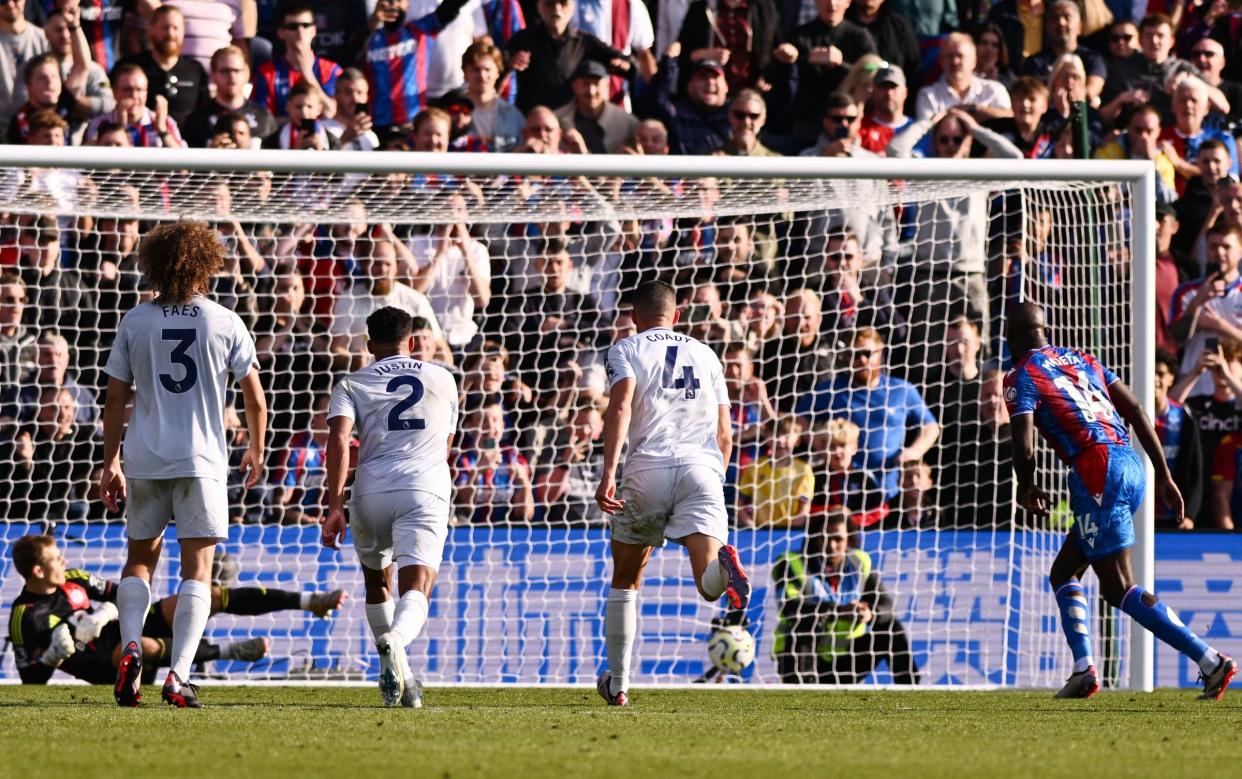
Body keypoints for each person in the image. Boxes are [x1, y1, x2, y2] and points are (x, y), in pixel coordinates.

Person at [1003, 301, 1236, 700]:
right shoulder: (1083, 359)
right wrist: (1164, 474)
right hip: (1129, 461)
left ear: (1012, 339)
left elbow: (1024, 444)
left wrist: (1027, 485)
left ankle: (1211, 660)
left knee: (1118, 588)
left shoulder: (1021, 375)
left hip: (1096, 469)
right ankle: (1083, 669)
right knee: (1064, 572)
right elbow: (1136, 409)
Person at [98, 221, 268, 708]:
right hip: (202, 460)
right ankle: (178, 675)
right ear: (205, 265)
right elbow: (254, 398)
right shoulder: (225, 320)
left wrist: (111, 460)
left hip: (145, 457)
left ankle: (130, 645)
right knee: (198, 570)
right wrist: (256, 448)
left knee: (138, 561)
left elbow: (115, 399)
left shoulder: (135, 321)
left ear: (153, 263)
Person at [593, 280, 749, 706]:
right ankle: (725, 566)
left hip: (648, 468)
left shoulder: (625, 349)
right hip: (702, 467)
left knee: (626, 579)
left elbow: (620, 407)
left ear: (632, 317)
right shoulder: (708, 353)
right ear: (677, 315)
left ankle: (620, 684)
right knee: (708, 585)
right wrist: (714, 478)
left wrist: (609, 472)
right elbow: (724, 433)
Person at [321, 306, 460, 709]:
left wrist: (334, 504)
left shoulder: (351, 383)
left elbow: (339, 442)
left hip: (369, 491)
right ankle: (396, 640)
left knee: (376, 583)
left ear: (369, 344)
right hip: (424, 486)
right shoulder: (444, 379)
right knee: (417, 585)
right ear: (412, 342)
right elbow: (445, 447)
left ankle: (402, 672)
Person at [7, 534, 345, 685]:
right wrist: (52, 656)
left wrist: (102, 615)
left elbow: (120, 593)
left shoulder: (74, 579)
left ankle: (307, 602)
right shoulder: (24, 616)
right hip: (99, 662)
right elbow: (28, 678)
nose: (64, 562)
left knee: (202, 596)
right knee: (142, 647)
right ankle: (228, 651)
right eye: (55, 559)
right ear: (37, 571)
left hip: (112, 629)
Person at [796, 326, 939, 508]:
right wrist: (820, 445)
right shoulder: (831, 390)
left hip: (891, 495)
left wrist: (914, 452)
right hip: (842, 495)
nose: (861, 360)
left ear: (879, 353)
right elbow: (798, 420)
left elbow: (931, 426)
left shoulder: (901, 390)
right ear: (847, 358)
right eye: (854, 355)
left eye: (866, 353)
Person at [770, 509, 919, 684]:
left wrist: (870, 614)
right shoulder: (791, 563)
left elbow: (886, 605)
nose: (831, 545)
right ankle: (798, 695)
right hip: (804, 656)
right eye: (825, 537)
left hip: (847, 657)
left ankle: (912, 692)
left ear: (848, 540)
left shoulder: (859, 562)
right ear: (815, 538)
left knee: (892, 627)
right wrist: (838, 611)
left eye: (838, 539)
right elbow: (790, 607)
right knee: (803, 625)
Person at [736, 415, 814, 528]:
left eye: (786, 435)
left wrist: (789, 530)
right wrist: (750, 524)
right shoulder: (755, 467)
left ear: (797, 440)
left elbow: (804, 509)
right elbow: (739, 502)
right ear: (767, 438)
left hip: (789, 532)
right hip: (759, 532)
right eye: (776, 435)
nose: (780, 440)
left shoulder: (803, 470)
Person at [1154, 349, 1201, 530]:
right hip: (1138, 515)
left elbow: (1196, 471)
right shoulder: (1130, 417)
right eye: (1151, 373)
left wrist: (1189, 514)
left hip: (1174, 516)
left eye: (1161, 374)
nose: (1155, 379)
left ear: (1171, 378)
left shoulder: (1183, 417)